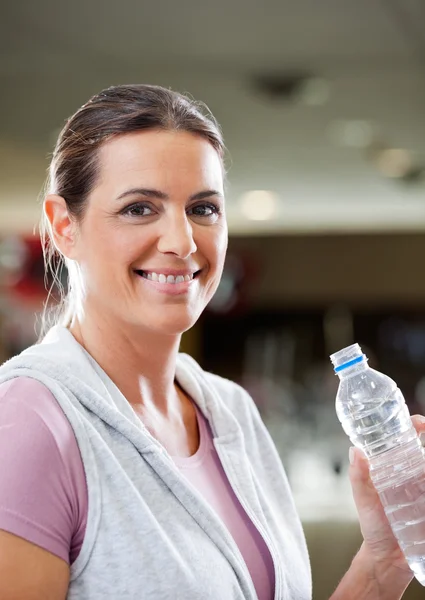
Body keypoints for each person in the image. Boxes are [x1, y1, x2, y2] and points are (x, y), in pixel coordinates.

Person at [0, 84, 422, 600]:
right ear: (65, 226)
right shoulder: (27, 423)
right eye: (139, 208)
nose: (181, 242)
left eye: (203, 208)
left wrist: (383, 564)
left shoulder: (231, 412)